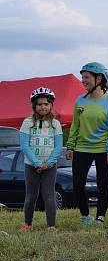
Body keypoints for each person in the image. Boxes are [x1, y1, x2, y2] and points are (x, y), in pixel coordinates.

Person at [66, 62, 108, 226]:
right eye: (82, 77)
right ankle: (85, 215)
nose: (83, 80)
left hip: (103, 149)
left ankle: (100, 217)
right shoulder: (80, 101)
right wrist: (70, 146)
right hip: (82, 148)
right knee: (77, 185)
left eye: (86, 77)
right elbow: (75, 125)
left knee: (102, 185)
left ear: (99, 78)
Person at [18, 87, 63, 232]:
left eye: (46, 104)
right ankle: (27, 223)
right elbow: (24, 145)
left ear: (51, 105)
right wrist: (37, 163)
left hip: (50, 165)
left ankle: (51, 225)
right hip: (31, 165)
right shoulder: (27, 122)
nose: (43, 107)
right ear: (34, 106)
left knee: (49, 195)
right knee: (31, 196)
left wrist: (49, 163)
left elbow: (58, 146)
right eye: (39, 104)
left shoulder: (55, 124)